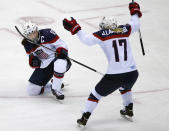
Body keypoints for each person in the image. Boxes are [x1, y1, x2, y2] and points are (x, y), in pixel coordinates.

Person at [63, 2, 142, 125]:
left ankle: (84, 116)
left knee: (95, 94)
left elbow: (86, 40)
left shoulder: (102, 34)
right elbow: (136, 24)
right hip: (132, 73)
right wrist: (134, 11)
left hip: (115, 75)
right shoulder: (125, 29)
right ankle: (129, 108)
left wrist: (76, 28)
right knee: (125, 87)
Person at [21, 21, 71, 100]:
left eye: (34, 32)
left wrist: (61, 52)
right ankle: (52, 86)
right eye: (30, 34)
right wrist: (34, 62)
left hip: (57, 59)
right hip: (45, 65)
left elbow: (62, 44)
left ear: (37, 30)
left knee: (60, 64)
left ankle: (56, 89)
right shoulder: (27, 44)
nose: (33, 35)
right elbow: (32, 59)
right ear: (26, 35)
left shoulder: (47, 33)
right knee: (32, 91)